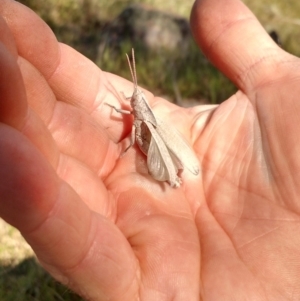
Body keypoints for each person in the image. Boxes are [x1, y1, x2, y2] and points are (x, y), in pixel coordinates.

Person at [0, 0, 299, 300]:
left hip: (158, 143)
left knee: (158, 145)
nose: (133, 100)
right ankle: (173, 173)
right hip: (153, 135)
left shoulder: (139, 114)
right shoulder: (137, 109)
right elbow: (131, 115)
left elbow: (134, 135)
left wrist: (124, 136)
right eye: (133, 99)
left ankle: (173, 175)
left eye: (134, 99)